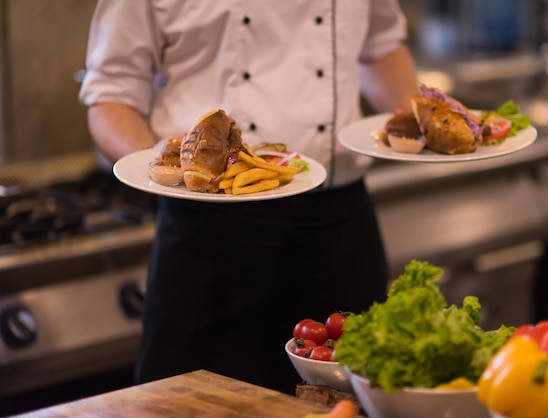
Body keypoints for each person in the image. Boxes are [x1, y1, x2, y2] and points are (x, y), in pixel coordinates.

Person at [79, 1, 419, 394]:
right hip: (206, 232)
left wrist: (421, 120)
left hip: (337, 230)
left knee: (346, 402)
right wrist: (155, 162)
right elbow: (110, 95)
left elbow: (380, 48)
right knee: (188, 403)